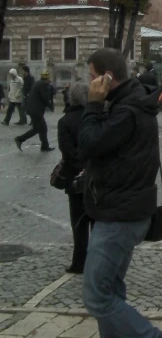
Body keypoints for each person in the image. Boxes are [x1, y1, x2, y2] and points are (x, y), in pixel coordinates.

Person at [79, 48, 162, 338]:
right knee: (111, 289)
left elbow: (89, 144)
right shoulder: (131, 102)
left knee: (96, 295)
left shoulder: (125, 111)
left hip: (119, 214)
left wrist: (93, 106)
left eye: (91, 75)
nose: (89, 82)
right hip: (120, 208)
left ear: (105, 76)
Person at [57, 81, 93, 274]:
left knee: (78, 224)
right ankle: (98, 261)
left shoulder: (65, 121)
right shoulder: (95, 118)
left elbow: (67, 151)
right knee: (97, 222)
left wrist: (80, 167)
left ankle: (79, 262)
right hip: (96, 177)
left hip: (75, 180)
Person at [14, 71, 55, 152]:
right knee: (37, 128)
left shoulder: (38, 83)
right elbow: (45, 97)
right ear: (47, 78)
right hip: (36, 110)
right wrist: (51, 106)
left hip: (34, 109)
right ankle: (20, 139)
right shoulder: (43, 85)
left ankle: (44, 146)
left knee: (42, 128)